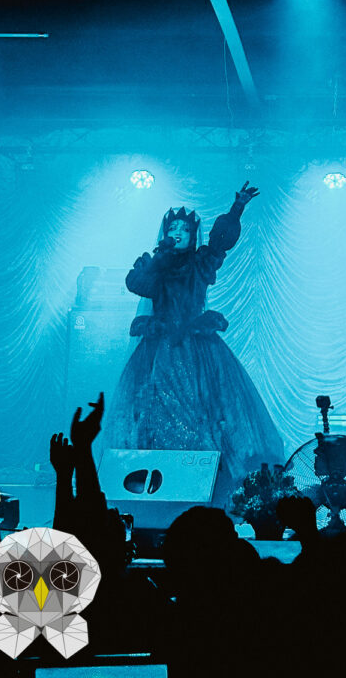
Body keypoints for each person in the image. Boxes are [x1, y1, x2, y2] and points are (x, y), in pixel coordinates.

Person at [105, 183, 284, 505]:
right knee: (154, 406)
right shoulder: (156, 266)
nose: (177, 234)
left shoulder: (200, 262)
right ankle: (156, 482)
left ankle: (205, 480)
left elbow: (220, 244)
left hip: (196, 346)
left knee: (205, 405)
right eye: (172, 229)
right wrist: (159, 256)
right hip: (160, 346)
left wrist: (237, 208)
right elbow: (137, 283)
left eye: (184, 229)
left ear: (193, 234)